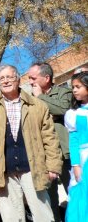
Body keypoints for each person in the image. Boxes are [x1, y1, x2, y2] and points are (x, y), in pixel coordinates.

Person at [0, 65, 62, 222]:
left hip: (34, 169)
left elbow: (50, 138)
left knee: (43, 215)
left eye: (9, 77)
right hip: (3, 171)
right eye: (2, 78)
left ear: (18, 79)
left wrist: (53, 166)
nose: (6, 81)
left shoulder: (37, 105)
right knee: (11, 217)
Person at [28, 62, 73, 221]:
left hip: (66, 153)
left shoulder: (64, 92)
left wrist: (41, 97)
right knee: (50, 199)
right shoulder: (28, 99)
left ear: (46, 78)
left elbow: (63, 109)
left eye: (33, 78)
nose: (30, 82)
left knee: (74, 193)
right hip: (44, 156)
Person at [63, 72, 88, 221]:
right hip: (84, 159)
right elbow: (73, 141)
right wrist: (76, 165)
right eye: (73, 87)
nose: (74, 90)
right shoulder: (73, 113)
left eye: (78, 86)